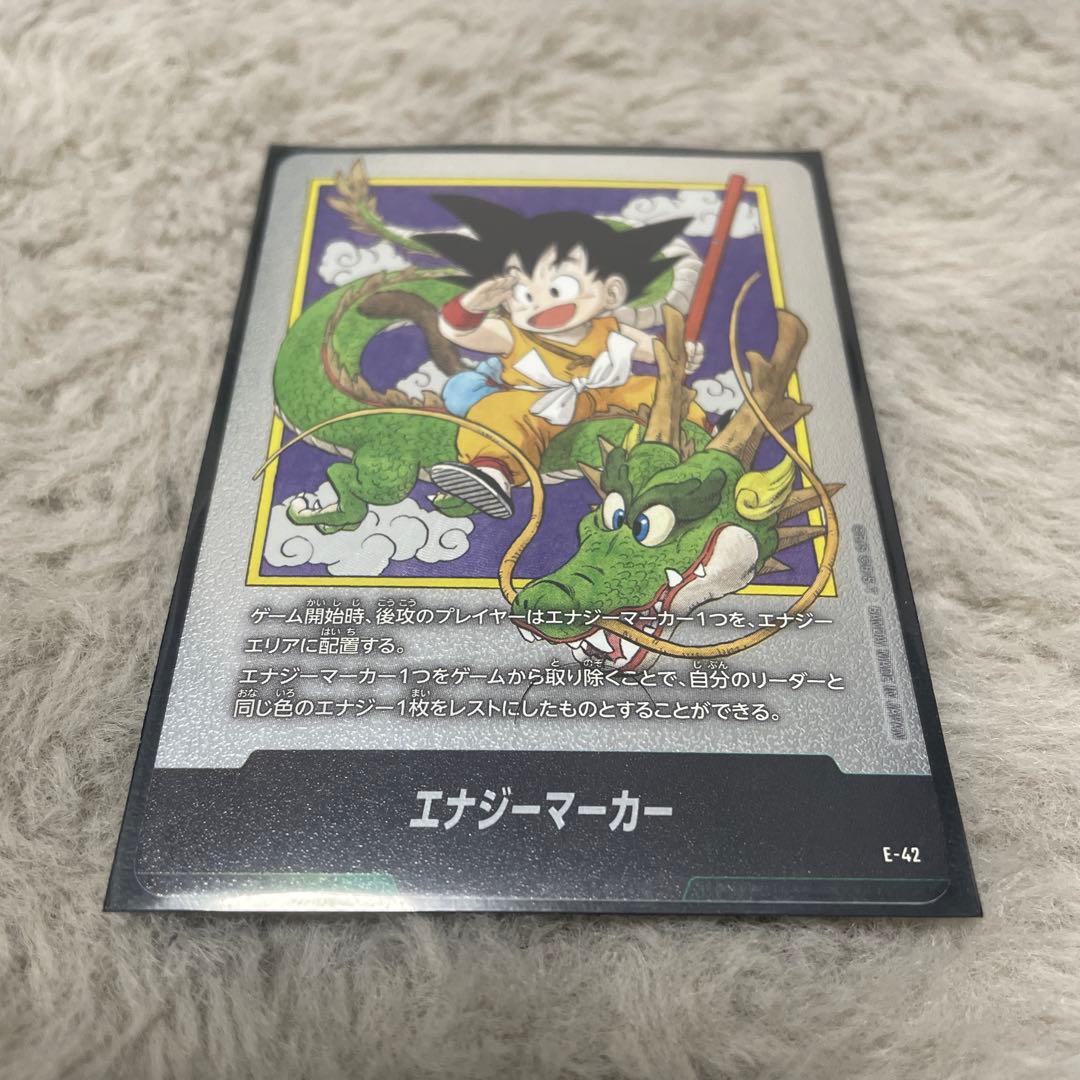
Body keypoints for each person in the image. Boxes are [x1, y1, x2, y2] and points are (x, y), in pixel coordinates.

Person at [417, 196, 707, 518]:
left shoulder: (609, 328)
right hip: (537, 402)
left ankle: (706, 439)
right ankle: (492, 472)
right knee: (497, 411)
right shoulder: (511, 333)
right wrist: (471, 305)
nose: (540, 303)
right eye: (525, 294)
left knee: (658, 391)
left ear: (611, 292)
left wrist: (681, 354)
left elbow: (657, 351)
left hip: (605, 394)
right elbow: (459, 332)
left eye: (559, 288)